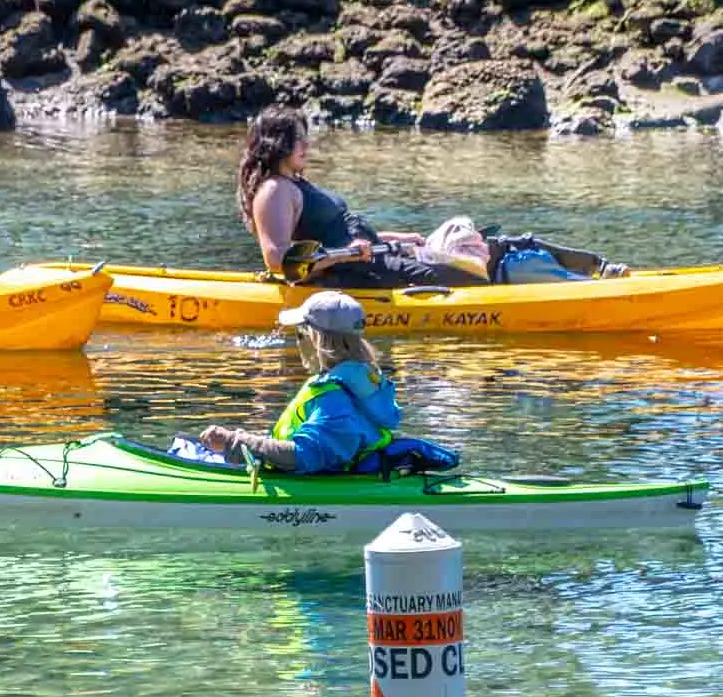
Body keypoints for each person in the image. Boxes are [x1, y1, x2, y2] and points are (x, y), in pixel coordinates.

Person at [233, 105, 626, 288]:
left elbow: (341, 233)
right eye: (299, 138)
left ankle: (600, 271)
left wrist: (392, 239)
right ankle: (573, 293)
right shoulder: (273, 191)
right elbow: (279, 261)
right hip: (360, 275)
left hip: (377, 258)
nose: (307, 145)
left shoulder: (298, 186)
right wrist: (348, 255)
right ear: (277, 143)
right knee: (467, 274)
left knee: (498, 247)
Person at [196, 291, 438, 475]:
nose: (298, 340)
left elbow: (305, 456)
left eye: (300, 333)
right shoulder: (360, 381)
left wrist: (234, 442)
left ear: (315, 338)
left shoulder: (334, 399)